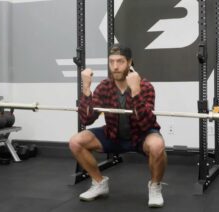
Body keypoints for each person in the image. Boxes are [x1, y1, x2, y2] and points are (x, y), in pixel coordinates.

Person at [69, 44, 167, 208]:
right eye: (111, 62)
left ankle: (155, 187)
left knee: (157, 146)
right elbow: (86, 119)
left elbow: (146, 123)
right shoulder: (105, 87)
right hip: (113, 135)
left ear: (130, 62)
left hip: (140, 136)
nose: (115, 66)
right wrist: (86, 89)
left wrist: (135, 91)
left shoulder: (145, 86)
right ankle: (99, 183)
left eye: (120, 61)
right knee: (75, 142)